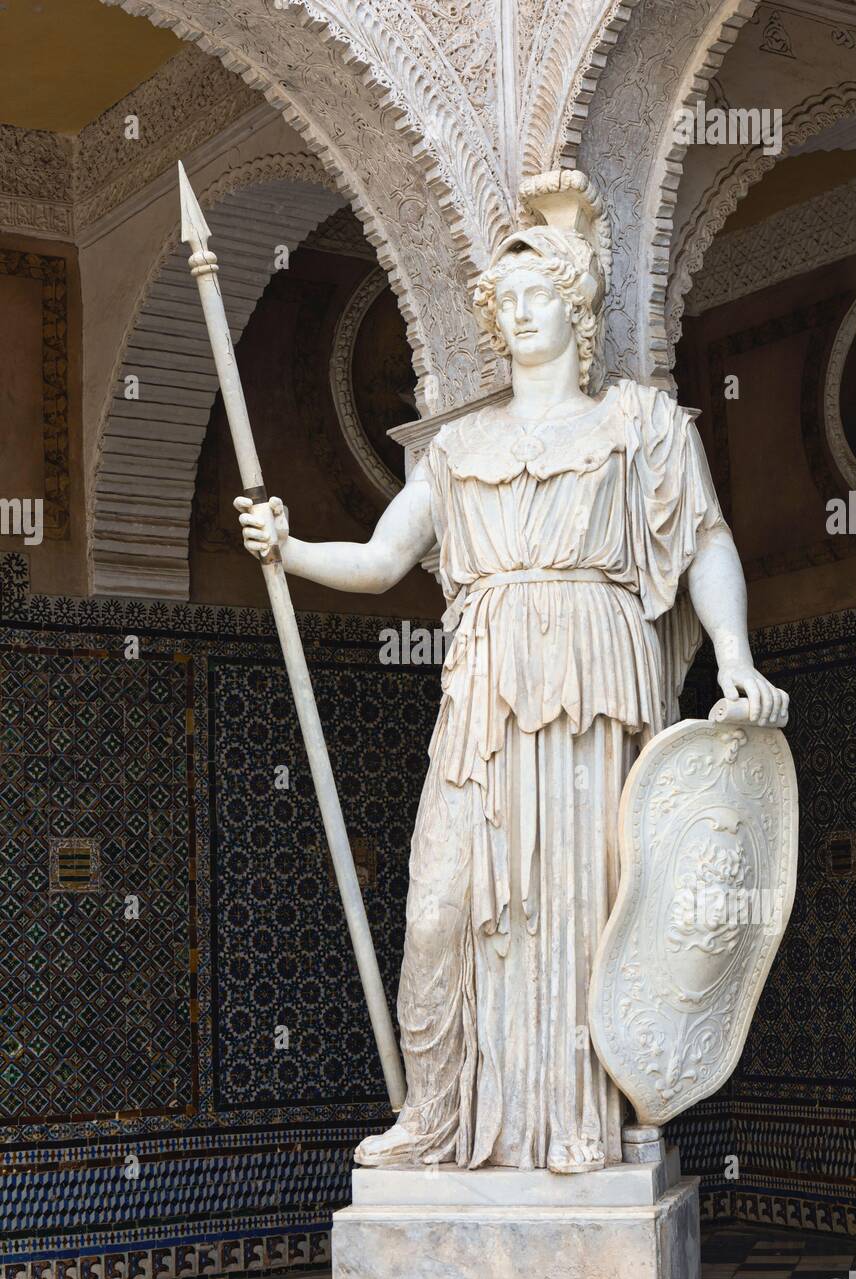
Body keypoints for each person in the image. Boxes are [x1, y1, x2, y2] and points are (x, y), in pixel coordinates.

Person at [235, 171, 788, 1174]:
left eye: (541, 294)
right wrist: (288, 548)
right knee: (442, 906)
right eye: (506, 298)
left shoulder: (637, 426)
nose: (521, 310)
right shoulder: (457, 447)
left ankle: (581, 1123)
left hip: (591, 665)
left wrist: (737, 662)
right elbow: (378, 562)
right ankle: (442, 1115)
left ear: (576, 311)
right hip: (485, 683)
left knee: (585, 899)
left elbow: (704, 542)